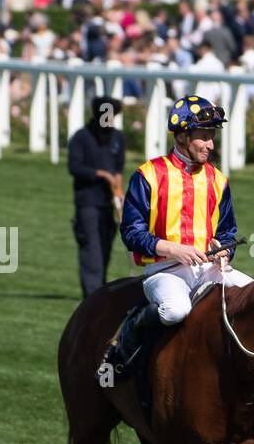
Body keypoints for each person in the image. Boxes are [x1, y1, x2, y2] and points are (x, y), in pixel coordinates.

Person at [104, 95, 245, 377]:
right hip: (163, 270)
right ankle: (131, 329)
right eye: (203, 137)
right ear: (181, 136)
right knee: (175, 311)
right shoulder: (148, 174)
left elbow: (228, 230)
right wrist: (172, 249)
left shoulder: (218, 180)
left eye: (212, 137)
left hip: (208, 269)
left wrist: (225, 250)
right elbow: (131, 232)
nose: (210, 145)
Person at [67, 95, 127, 298]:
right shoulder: (81, 137)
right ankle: (91, 296)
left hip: (108, 204)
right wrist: (101, 175)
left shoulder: (118, 137)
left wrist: (119, 191)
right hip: (88, 202)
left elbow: (118, 168)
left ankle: (99, 292)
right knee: (91, 250)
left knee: (105, 248)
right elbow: (75, 167)